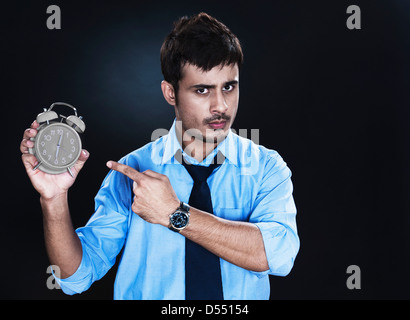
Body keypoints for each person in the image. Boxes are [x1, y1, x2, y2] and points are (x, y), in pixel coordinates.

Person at [20, 12, 299, 300]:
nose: (221, 106)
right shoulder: (132, 170)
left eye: (229, 87)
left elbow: (278, 255)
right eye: (202, 90)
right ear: (170, 92)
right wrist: (53, 200)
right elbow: (76, 276)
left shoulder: (266, 167)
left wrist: (175, 213)